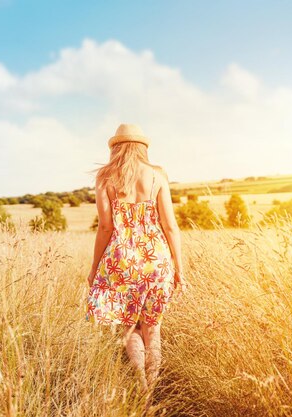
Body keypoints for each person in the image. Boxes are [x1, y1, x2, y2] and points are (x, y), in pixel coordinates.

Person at [84, 123, 188, 396]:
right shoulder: (157, 176)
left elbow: (105, 227)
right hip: (157, 261)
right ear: (143, 147)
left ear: (115, 148)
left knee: (129, 328)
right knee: (153, 329)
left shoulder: (105, 178)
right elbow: (171, 227)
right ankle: (153, 389)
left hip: (121, 263)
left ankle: (140, 385)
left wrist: (95, 268)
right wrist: (179, 268)